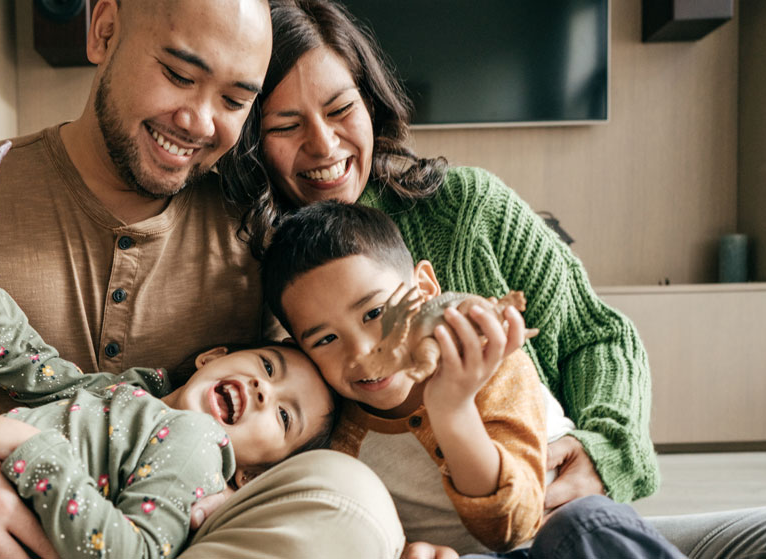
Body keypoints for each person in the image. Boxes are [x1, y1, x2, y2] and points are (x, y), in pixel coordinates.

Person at [220, 0, 766, 557]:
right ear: (250, 137)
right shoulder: (242, 261)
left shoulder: (466, 207)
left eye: (340, 109)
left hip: (563, 519)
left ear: (371, 103)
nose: (323, 144)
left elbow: (598, 337)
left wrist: (601, 451)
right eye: (286, 125)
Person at [0, 0, 404, 557]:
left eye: (234, 100)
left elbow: (315, 417)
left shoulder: (259, 237)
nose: (198, 122)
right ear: (104, 31)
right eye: (179, 75)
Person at [0, 189, 336, 558]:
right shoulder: (129, 395)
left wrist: (32, 451)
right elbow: (22, 361)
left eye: (284, 416)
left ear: (252, 476)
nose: (263, 390)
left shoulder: (199, 448)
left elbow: (132, 553)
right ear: (213, 357)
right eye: (268, 367)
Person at [259, 201, 684, 559]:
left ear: (425, 287)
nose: (361, 351)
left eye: (375, 313)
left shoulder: (493, 366)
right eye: (326, 339)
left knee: (583, 524)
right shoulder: (339, 437)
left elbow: (513, 526)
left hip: (566, 537)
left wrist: (452, 410)